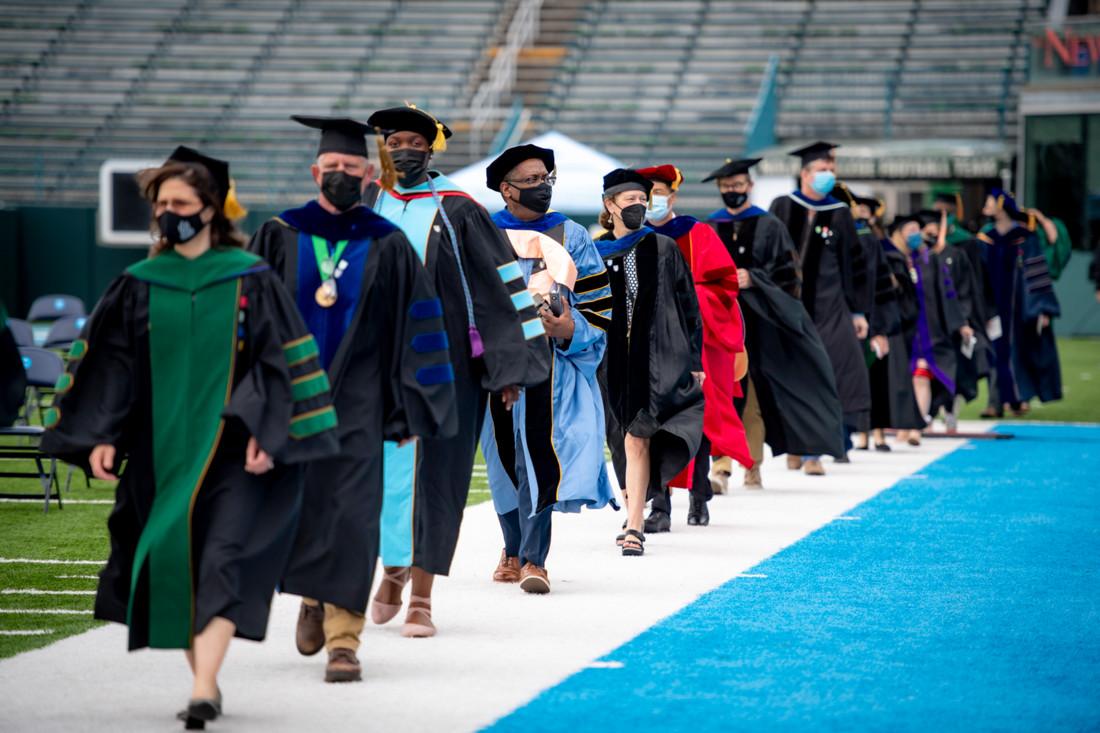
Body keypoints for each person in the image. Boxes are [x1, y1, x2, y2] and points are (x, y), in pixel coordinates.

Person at [42, 147, 340, 726]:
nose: (168, 212)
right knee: (174, 564)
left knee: (222, 559)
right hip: (160, 456)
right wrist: (102, 434)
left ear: (210, 209)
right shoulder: (138, 284)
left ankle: (204, 687)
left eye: (180, 202)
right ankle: (206, 680)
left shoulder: (250, 279)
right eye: (161, 204)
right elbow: (113, 367)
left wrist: (268, 430)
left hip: (231, 453)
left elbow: (283, 361)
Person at [249, 116, 458, 683]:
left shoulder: (386, 243)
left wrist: (410, 407)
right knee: (298, 509)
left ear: (369, 173)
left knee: (354, 519)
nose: (341, 176)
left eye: (351, 168)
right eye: (332, 169)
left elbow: (418, 330)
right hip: (291, 403)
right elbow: (247, 326)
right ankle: (311, 598)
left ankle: (345, 641)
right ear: (316, 171)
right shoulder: (279, 234)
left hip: (362, 404)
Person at [364, 105, 550, 636]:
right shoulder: (370, 203)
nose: (404, 150)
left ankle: (421, 595)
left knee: (440, 479)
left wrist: (509, 367)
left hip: (447, 369)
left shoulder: (459, 209)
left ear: (431, 148)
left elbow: (501, 288)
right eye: (394, 140)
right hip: (378, 369)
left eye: (415, 142)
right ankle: (393, 568)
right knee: (382, 477)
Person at [478, 143, 614, 593]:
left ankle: (535, 559)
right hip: (495, 361)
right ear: (506, 189)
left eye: (546, 179)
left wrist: (569, 328)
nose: (542, 187)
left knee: (540, 456)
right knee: (501, 459)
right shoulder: (481, 231)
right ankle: (510, 548)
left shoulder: (572, 235)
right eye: (531, 180)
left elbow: (598, 304)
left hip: (550, 366)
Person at [704, 157, 844, 487]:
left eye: (737, 186)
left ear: (750, 186)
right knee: (720, 393)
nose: (731, 192)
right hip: (718, 322)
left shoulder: (769, 226)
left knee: (751, 394)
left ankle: (751, 464)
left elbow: (790, 277)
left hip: (760, 322)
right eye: (725, 187)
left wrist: (755, 279)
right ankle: (720, 467)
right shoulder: (709, 227)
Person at [595, 168, 703, 556]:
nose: (639, 206)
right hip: (608, 363)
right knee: (618, 440)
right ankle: (633, 510)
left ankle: (635, 526)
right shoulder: (595, 252)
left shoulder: (661, 247)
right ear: (610, 205)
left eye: (643, 200)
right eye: (631, 201)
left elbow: (689, 307)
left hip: (654, 360)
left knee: (638, 436)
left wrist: (694, 359)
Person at [639, 163, 751, 527]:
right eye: (645, 194)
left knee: (695, 419)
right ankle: (659, 504)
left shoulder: (697, 233)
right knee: (652, 422)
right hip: (649, 344)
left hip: (693, 340)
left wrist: (680, 300)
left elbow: (725, 285)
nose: (651, 200)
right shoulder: (633, 237)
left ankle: (699, 491)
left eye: (657, 193)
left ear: (672, 195)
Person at [769, 142, 871, 474]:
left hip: (830, 306)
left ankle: (814, 451)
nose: (827, 175)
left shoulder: (839, 212)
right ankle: (794, 446)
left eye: (831, 170)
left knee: (828, 374)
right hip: (788, 307)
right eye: (821, 170)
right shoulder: (783, 206)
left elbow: (853, 265)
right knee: (792, 378)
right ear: (805, 173)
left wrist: (857, 311)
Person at [977, 190, 1063, 415]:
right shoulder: (986, 238)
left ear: (1002, 205)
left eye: (990, 201)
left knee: (1017, 352)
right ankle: (996, 402)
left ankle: (1017, 398)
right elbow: (979, 274)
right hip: (992, 305)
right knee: (995, 352)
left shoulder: (1025, 236)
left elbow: (1037, 272)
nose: (986, 205)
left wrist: (1042, 308)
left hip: (1020, 307)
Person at [898, 212, 968, 445]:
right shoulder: (892, 259)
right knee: (902, 379)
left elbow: (948, 295)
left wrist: (961, 324)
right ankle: (905, 423)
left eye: (917, 229)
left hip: (929, 331)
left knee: (921, 376)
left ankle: (918, 424)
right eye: (910, 230)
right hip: (901, 331)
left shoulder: (931, 260)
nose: (915, 235)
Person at [867, 215, 926, 449]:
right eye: (912, 228)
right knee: (881, 378)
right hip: (885, 324)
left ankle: (903, 428)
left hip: (904, 325)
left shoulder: (911, 258)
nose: (917, 234)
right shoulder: (886, 254)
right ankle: (874, 433)